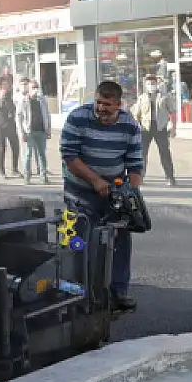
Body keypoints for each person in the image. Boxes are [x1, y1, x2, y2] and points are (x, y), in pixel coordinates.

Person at [60, 81, 144, 312]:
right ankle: (76, 291)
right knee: (78, 235)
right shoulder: (78, 117)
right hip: (79, 189)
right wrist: (95, 180)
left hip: (114, 192)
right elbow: (69, 155)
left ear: (119, 104)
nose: (101, 109)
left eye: (107, 105)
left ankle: (117, 291)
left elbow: (135, 165)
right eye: (98, 103)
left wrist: (131, 194)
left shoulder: (130, 126)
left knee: (120, 238)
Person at [130, 74, 178, 187]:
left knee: (165, 153)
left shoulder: (165, 97)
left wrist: (173, 128)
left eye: (153, 83)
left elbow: (173, 112)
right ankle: (140, 177)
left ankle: (170, 177)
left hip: (160, 128)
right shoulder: (142, 97)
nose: (151, 86)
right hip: (145, 128)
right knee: (142, 154)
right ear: (145, 85)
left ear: (157, 84)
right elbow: (136, 114)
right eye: (148, 84)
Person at [16, 77, 51, 185]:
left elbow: (47, 114)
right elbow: (19, 117)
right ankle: (27, 176)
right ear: (29, 88)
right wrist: (21, 133)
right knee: (28, 154)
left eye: (37, 87)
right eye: (33, 87)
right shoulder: (24, 100)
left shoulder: (42, 99)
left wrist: (48, 128)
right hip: (29, 131)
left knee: (42, 155)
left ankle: (43, 176)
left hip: (41, 131)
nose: (35, 89)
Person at [0, 77, 21, 179]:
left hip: (10, 124)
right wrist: (1, 97)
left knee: (15, 146)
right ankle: (2, 171)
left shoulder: (8, 95)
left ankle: (14, 169)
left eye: (8, 84)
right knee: (2, 147)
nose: (7, 86)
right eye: (5, 84)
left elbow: (13, 108)